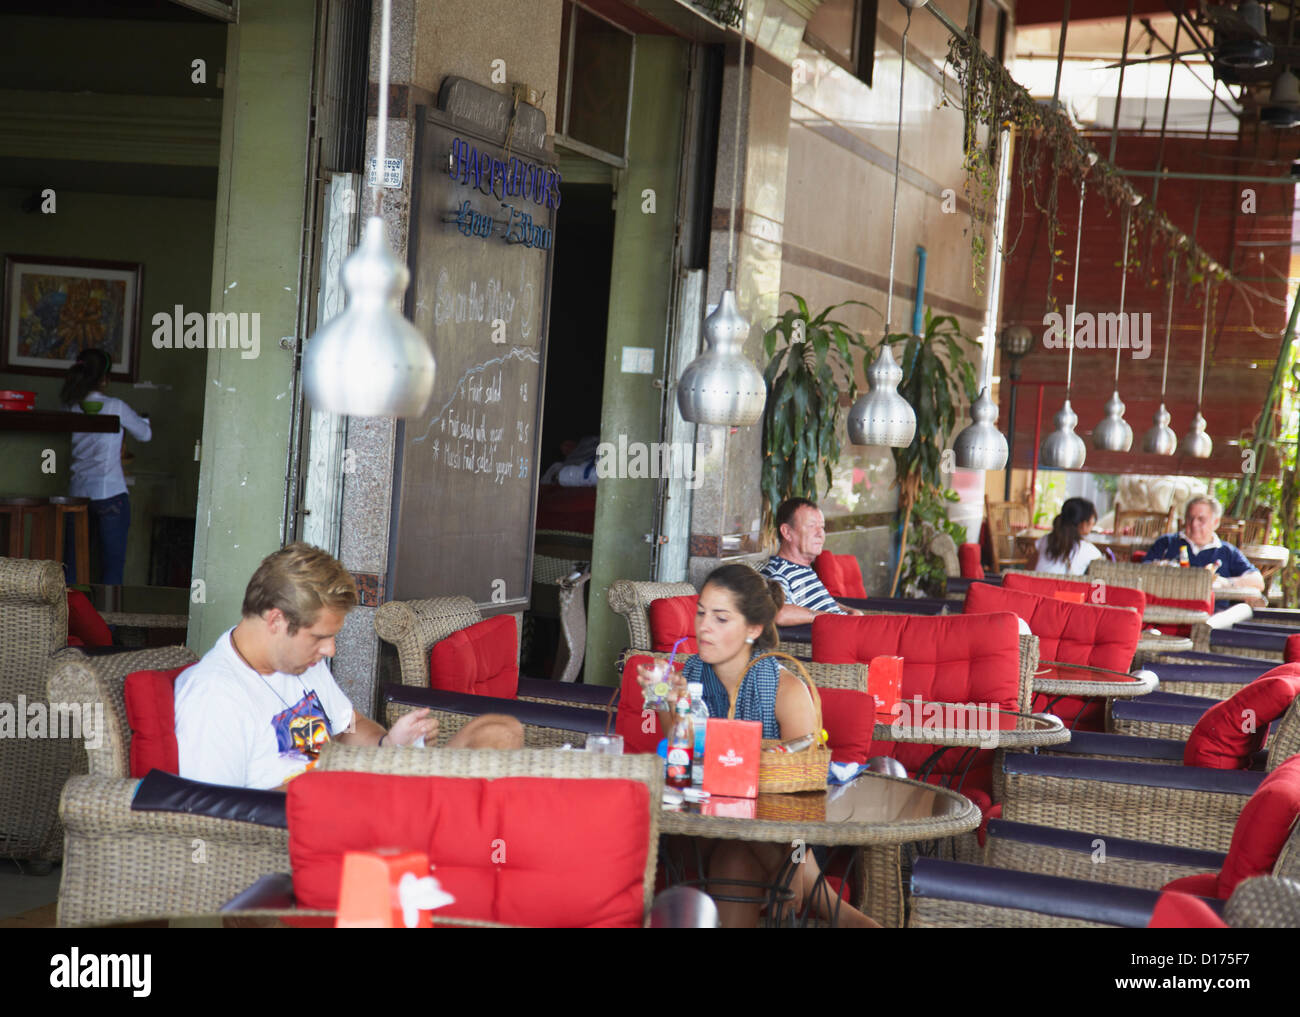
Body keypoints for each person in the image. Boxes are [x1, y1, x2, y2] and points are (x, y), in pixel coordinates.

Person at [638, 564, 878, 929]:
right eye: (701, 613)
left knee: (735, 858)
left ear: (753, 628)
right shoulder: (688, 680)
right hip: (701, 828)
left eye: (720, 618)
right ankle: (833, 910)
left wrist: (795, 863)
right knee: (737, 844)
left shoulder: (788, 692)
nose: (703, 627)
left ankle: (813, 894)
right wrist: (670, 703)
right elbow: (679, 765)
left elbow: (805, 812)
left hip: (788, 838)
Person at [175, 543, 523, 790]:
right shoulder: (214, 697)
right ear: (276, 620)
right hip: (316, 821)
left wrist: (389, 743)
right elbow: (215, 812)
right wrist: (339, 784)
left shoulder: (298, 664)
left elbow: (348, 724)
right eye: (319, 637)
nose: (330, 649)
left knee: (500, 731)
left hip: (361, 789)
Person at [60, 348, 152, 585]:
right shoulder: (116, 406)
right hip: (109, 494)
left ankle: (67, 621)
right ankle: (106, 623)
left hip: (77, 494)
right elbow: (145, 435)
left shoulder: (71, 405)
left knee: (73, 566)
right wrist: (145, 420)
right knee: (111, 569)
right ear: (104, 378)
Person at [760, 498, 864, 625]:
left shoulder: (801, 568)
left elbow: (818, 603)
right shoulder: (777, 574)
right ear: (787, 532)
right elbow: (780, 613)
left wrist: (849, 611)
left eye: (822, 527)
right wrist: (835, 618)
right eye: (811, 526)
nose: (820, 533)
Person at [1143, 495, 1264, 598]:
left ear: (1215, 522)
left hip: (1215, 615)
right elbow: (1142, 573)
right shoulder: (1167, 543)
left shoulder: (1226, 551)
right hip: (1170, 611)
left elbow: (1258, 581)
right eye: (1190, 518)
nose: (1194, 523)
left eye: (1201, 519)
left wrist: (1226, 583)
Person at [1026, 497, 1103, 575]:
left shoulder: (1045, 540)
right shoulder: (1090, 551)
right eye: (1092, 519)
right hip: (1066, 587)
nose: (1093, 522)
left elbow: (1028, 571)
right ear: (1083, 524)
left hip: (1038, 586)